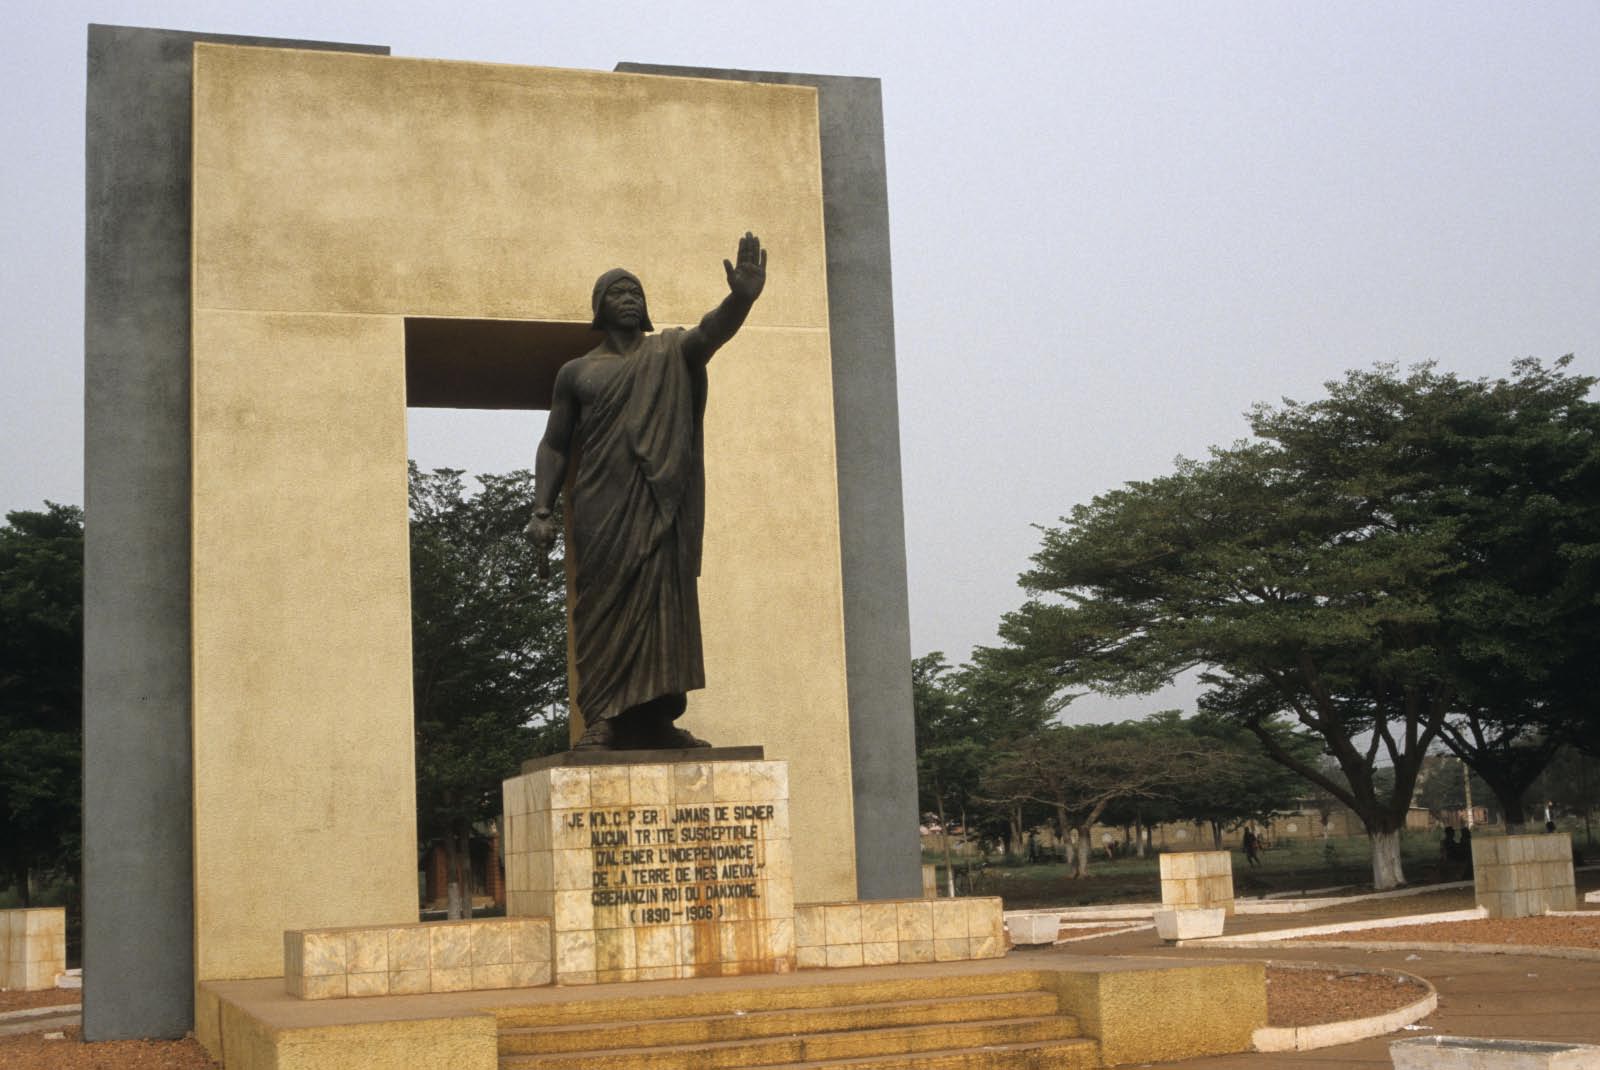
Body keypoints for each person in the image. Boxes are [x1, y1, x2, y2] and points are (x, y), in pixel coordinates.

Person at [526, 234, 768, 750]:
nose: (631, 298)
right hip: (602, 508)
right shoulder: (578, 372)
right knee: (603, 606)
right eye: (619, 292)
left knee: (665, 604)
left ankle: (658, 718)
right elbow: (553, 444)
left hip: (661, 505)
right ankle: (602, 718)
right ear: (600, 308)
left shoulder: (671, 351)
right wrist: (542, 508)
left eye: (636, 291)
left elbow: (711, 333)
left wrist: (741, 298)